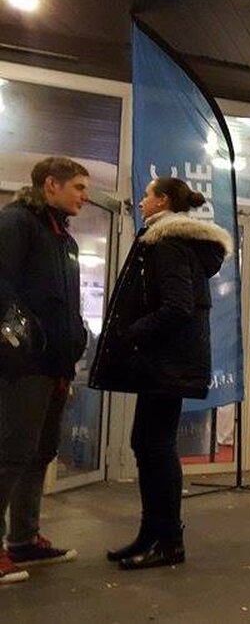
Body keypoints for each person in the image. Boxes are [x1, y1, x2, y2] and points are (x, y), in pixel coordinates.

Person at [89, 177, 232, 570]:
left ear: (163, 200)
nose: (141, 201)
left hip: (165, 363)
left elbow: (177, 307)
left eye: (147, 195)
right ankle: (151, 533)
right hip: (165, 364)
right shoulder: (171, 242)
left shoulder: (168, 243)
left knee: (156, 447)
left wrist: (130, 334)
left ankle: (168, 541)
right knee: (146, 443)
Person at [0, 157, 91, 584]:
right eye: (78, 187)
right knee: (10, 454)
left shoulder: (63, 237)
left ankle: (23, 539)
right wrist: (21, 336)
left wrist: (77, 335)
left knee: (40, 452)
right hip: (24, 365)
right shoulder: (17, 223)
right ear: (51, 184)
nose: (84, 196)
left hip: (56, 365)